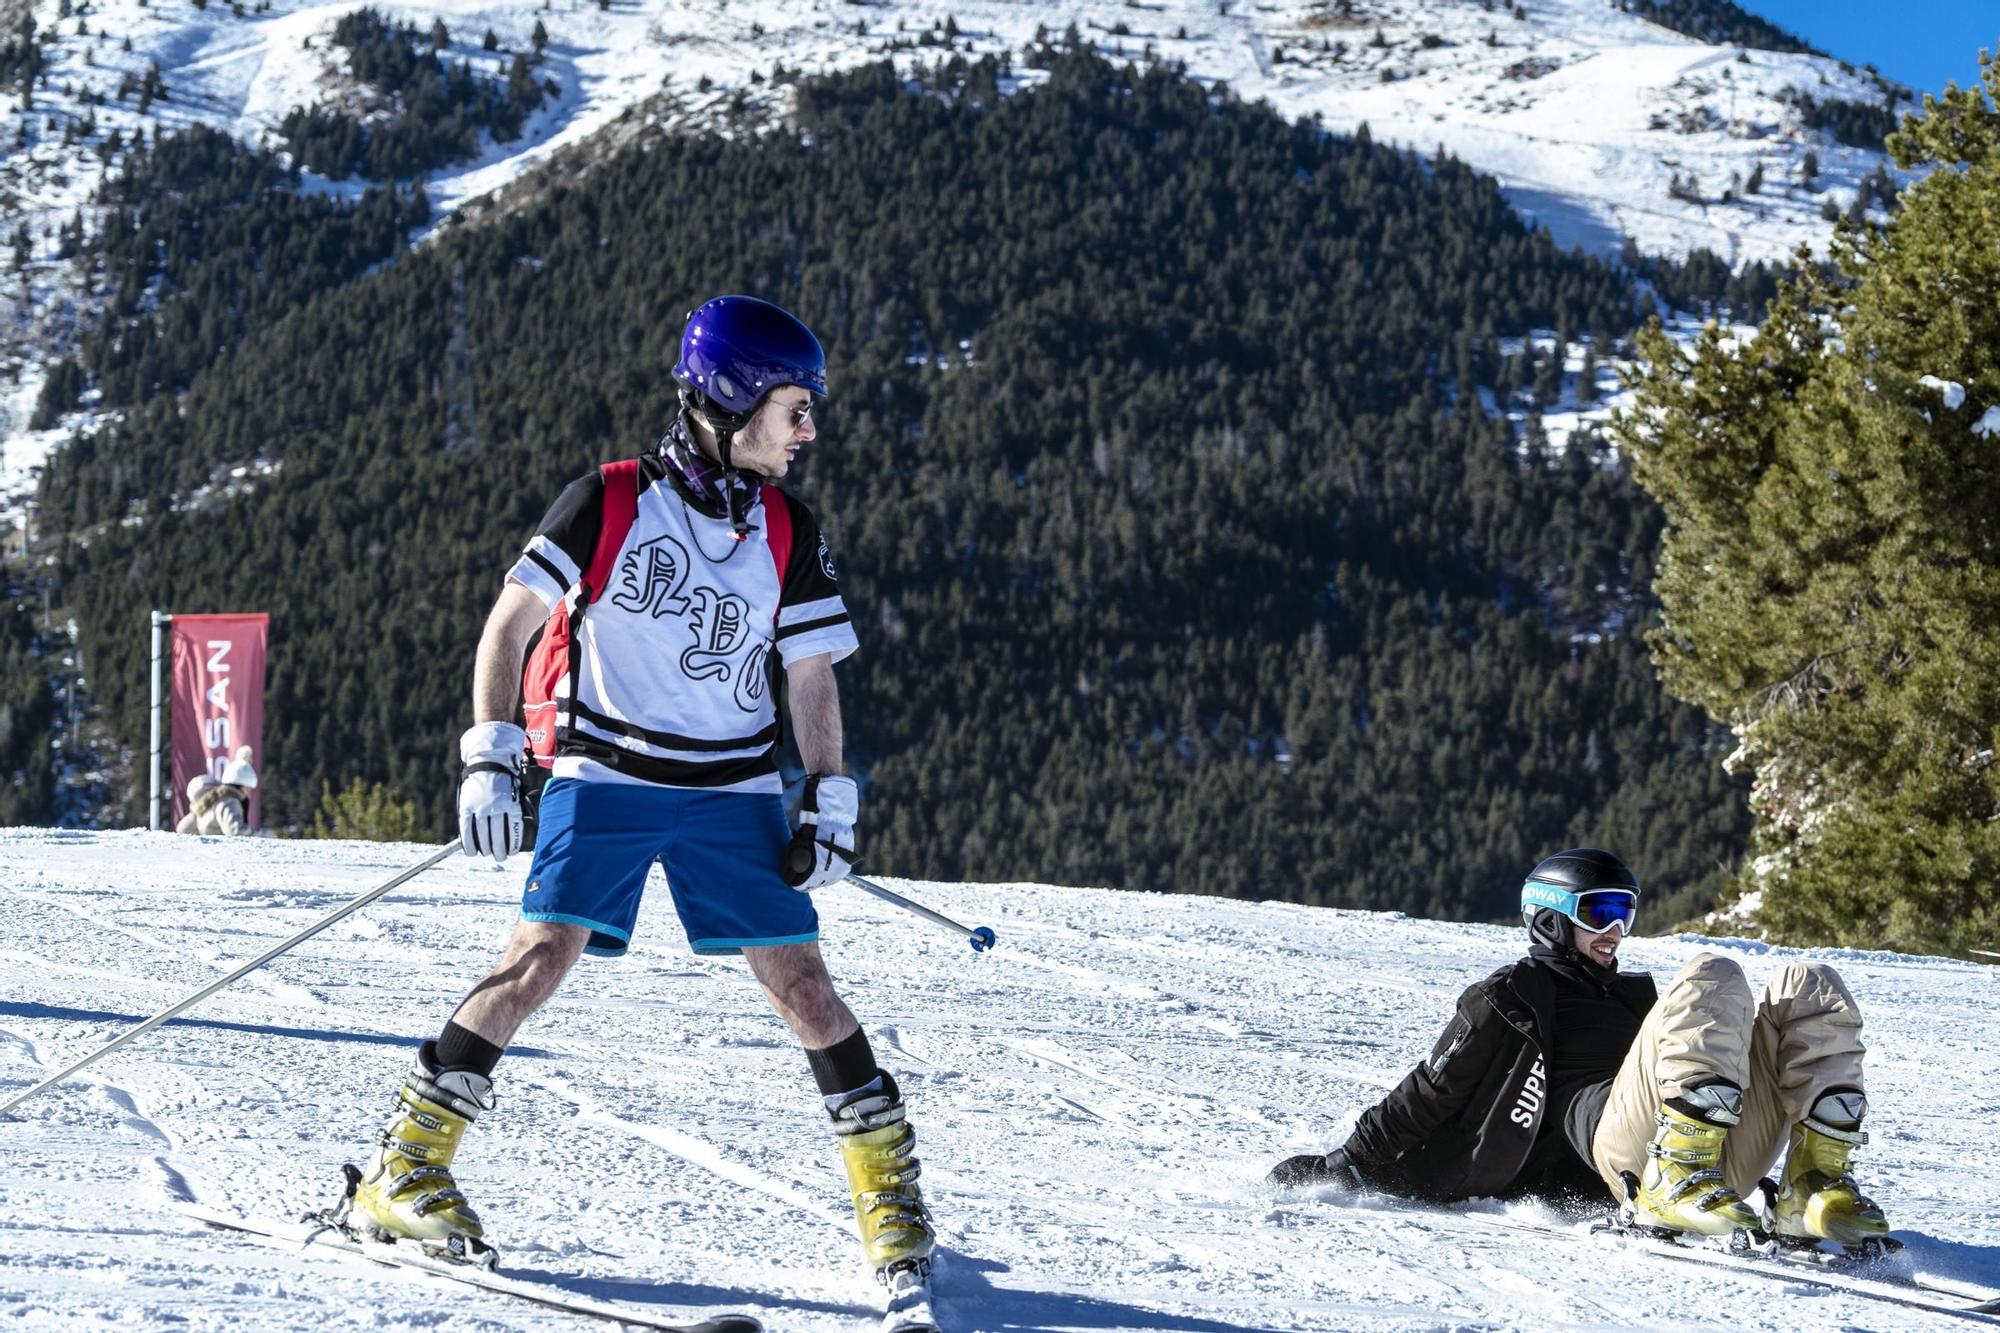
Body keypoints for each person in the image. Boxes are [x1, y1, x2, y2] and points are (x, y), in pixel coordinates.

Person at [347, 296, 935, 1289]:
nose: (808, 431)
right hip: (604, 770)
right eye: (793, 408)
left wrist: (828, 796)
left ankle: (889, 1199)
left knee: (805, 989)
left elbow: (810, 675)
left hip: (732, 786)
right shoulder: (607, 499)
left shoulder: (789, 527)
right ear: (730, 400)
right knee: (535, 962)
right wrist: (489, 752)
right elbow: (509, 627)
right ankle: (403, 1169)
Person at [1268, 847, 1889, 1247]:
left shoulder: (1630, 1000)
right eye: (1601, 912)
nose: (1617, 931)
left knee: (1810, 985)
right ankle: (1672, 1176)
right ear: (1549, 918)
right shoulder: (1512, 997)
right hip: (1627, 1160)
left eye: (1627, 912)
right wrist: (1343, 1161)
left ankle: (1813, 1186)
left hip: (1716, 1167)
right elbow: (1429, 1089)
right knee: (1715, 973)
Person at [175, 746, 258, 836]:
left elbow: (183, 828)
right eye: (248, 787)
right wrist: (268, 834)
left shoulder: (210, 799)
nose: (248, 792)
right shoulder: (229, 802)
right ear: (242, 786)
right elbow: (236, 832)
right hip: (223, 849)